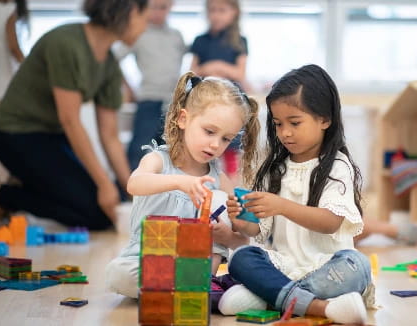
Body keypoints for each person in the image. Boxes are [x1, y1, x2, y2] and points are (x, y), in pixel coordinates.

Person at [224, 65, 374, 324]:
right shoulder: (274, 169)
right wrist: (240, 221)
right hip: (284, 267)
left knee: (357, 265)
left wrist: (281, 205)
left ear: (325, 119)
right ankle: (321, 307)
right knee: (240, 257)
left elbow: (330, 223)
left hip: (327, 268)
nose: (285, 133)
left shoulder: (337, 166)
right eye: (278, 124)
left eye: (294, 123)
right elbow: (258, 229)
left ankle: (276, 296)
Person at [0, 0, 150, 228]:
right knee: (95, 213)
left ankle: (31, 186)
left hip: (52, 137)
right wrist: (104, 185)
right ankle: (4, 196)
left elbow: (110, 135)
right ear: (133, 11)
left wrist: (132, 192)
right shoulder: (66, 43)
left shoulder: (110, 65)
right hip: (16, 135)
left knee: (111, 201)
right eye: (145, 19)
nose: (145, 27)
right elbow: (70, 120)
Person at [105, 71, 261, 298]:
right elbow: (134, 184)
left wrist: (226, 236)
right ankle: (186, 288)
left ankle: (196, 284)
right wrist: (181, 182)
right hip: (146, 261)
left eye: (226, 139)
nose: (216, 144)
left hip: (195, 266)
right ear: (183, 119)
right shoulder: (158, 160)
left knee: (219, 198)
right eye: (209, 131)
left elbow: (245, 240)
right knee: (117, 274)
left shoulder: (218, 179)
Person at [113, 0, 186, 171]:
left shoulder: (176, 35)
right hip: (148, 99)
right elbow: (113, 58)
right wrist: (128, 88)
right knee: (140, 148)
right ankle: (130, 191)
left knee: (171, 150)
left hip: (173, 102)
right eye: (153, 7)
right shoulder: (138, 32)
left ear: (171, 7)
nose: (158, 12)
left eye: (163, 7)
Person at [190, 0, 249, 182]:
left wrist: (216, 66)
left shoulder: (239, 41)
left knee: (230, 145)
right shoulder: (201, 40)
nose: (216, 15)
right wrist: (208, 69)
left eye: (222, 10)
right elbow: (192, 72)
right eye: (212, 10)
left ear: (234, 13)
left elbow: (239, 72)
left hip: (231, 101)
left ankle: (231, 188)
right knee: (206, 141)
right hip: (206, 101)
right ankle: (203, 182)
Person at [0, 0, 28, 182]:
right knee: (1, 137)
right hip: (0, 85)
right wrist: (31, 68)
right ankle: (2, 183)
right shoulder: (8, 9)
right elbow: (13, 46)